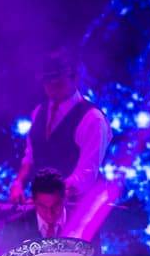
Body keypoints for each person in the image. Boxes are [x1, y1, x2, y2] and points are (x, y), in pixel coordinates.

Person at [9, 48, 111, 204]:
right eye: (48, 84)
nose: (53, 90)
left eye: (59, 84)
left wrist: (49, 196)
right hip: (44, 208)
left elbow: (86, 174)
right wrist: (18, 183)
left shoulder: (93, 119)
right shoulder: (39, 112)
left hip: (78, 211)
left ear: (75, 79)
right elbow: (30, 157)